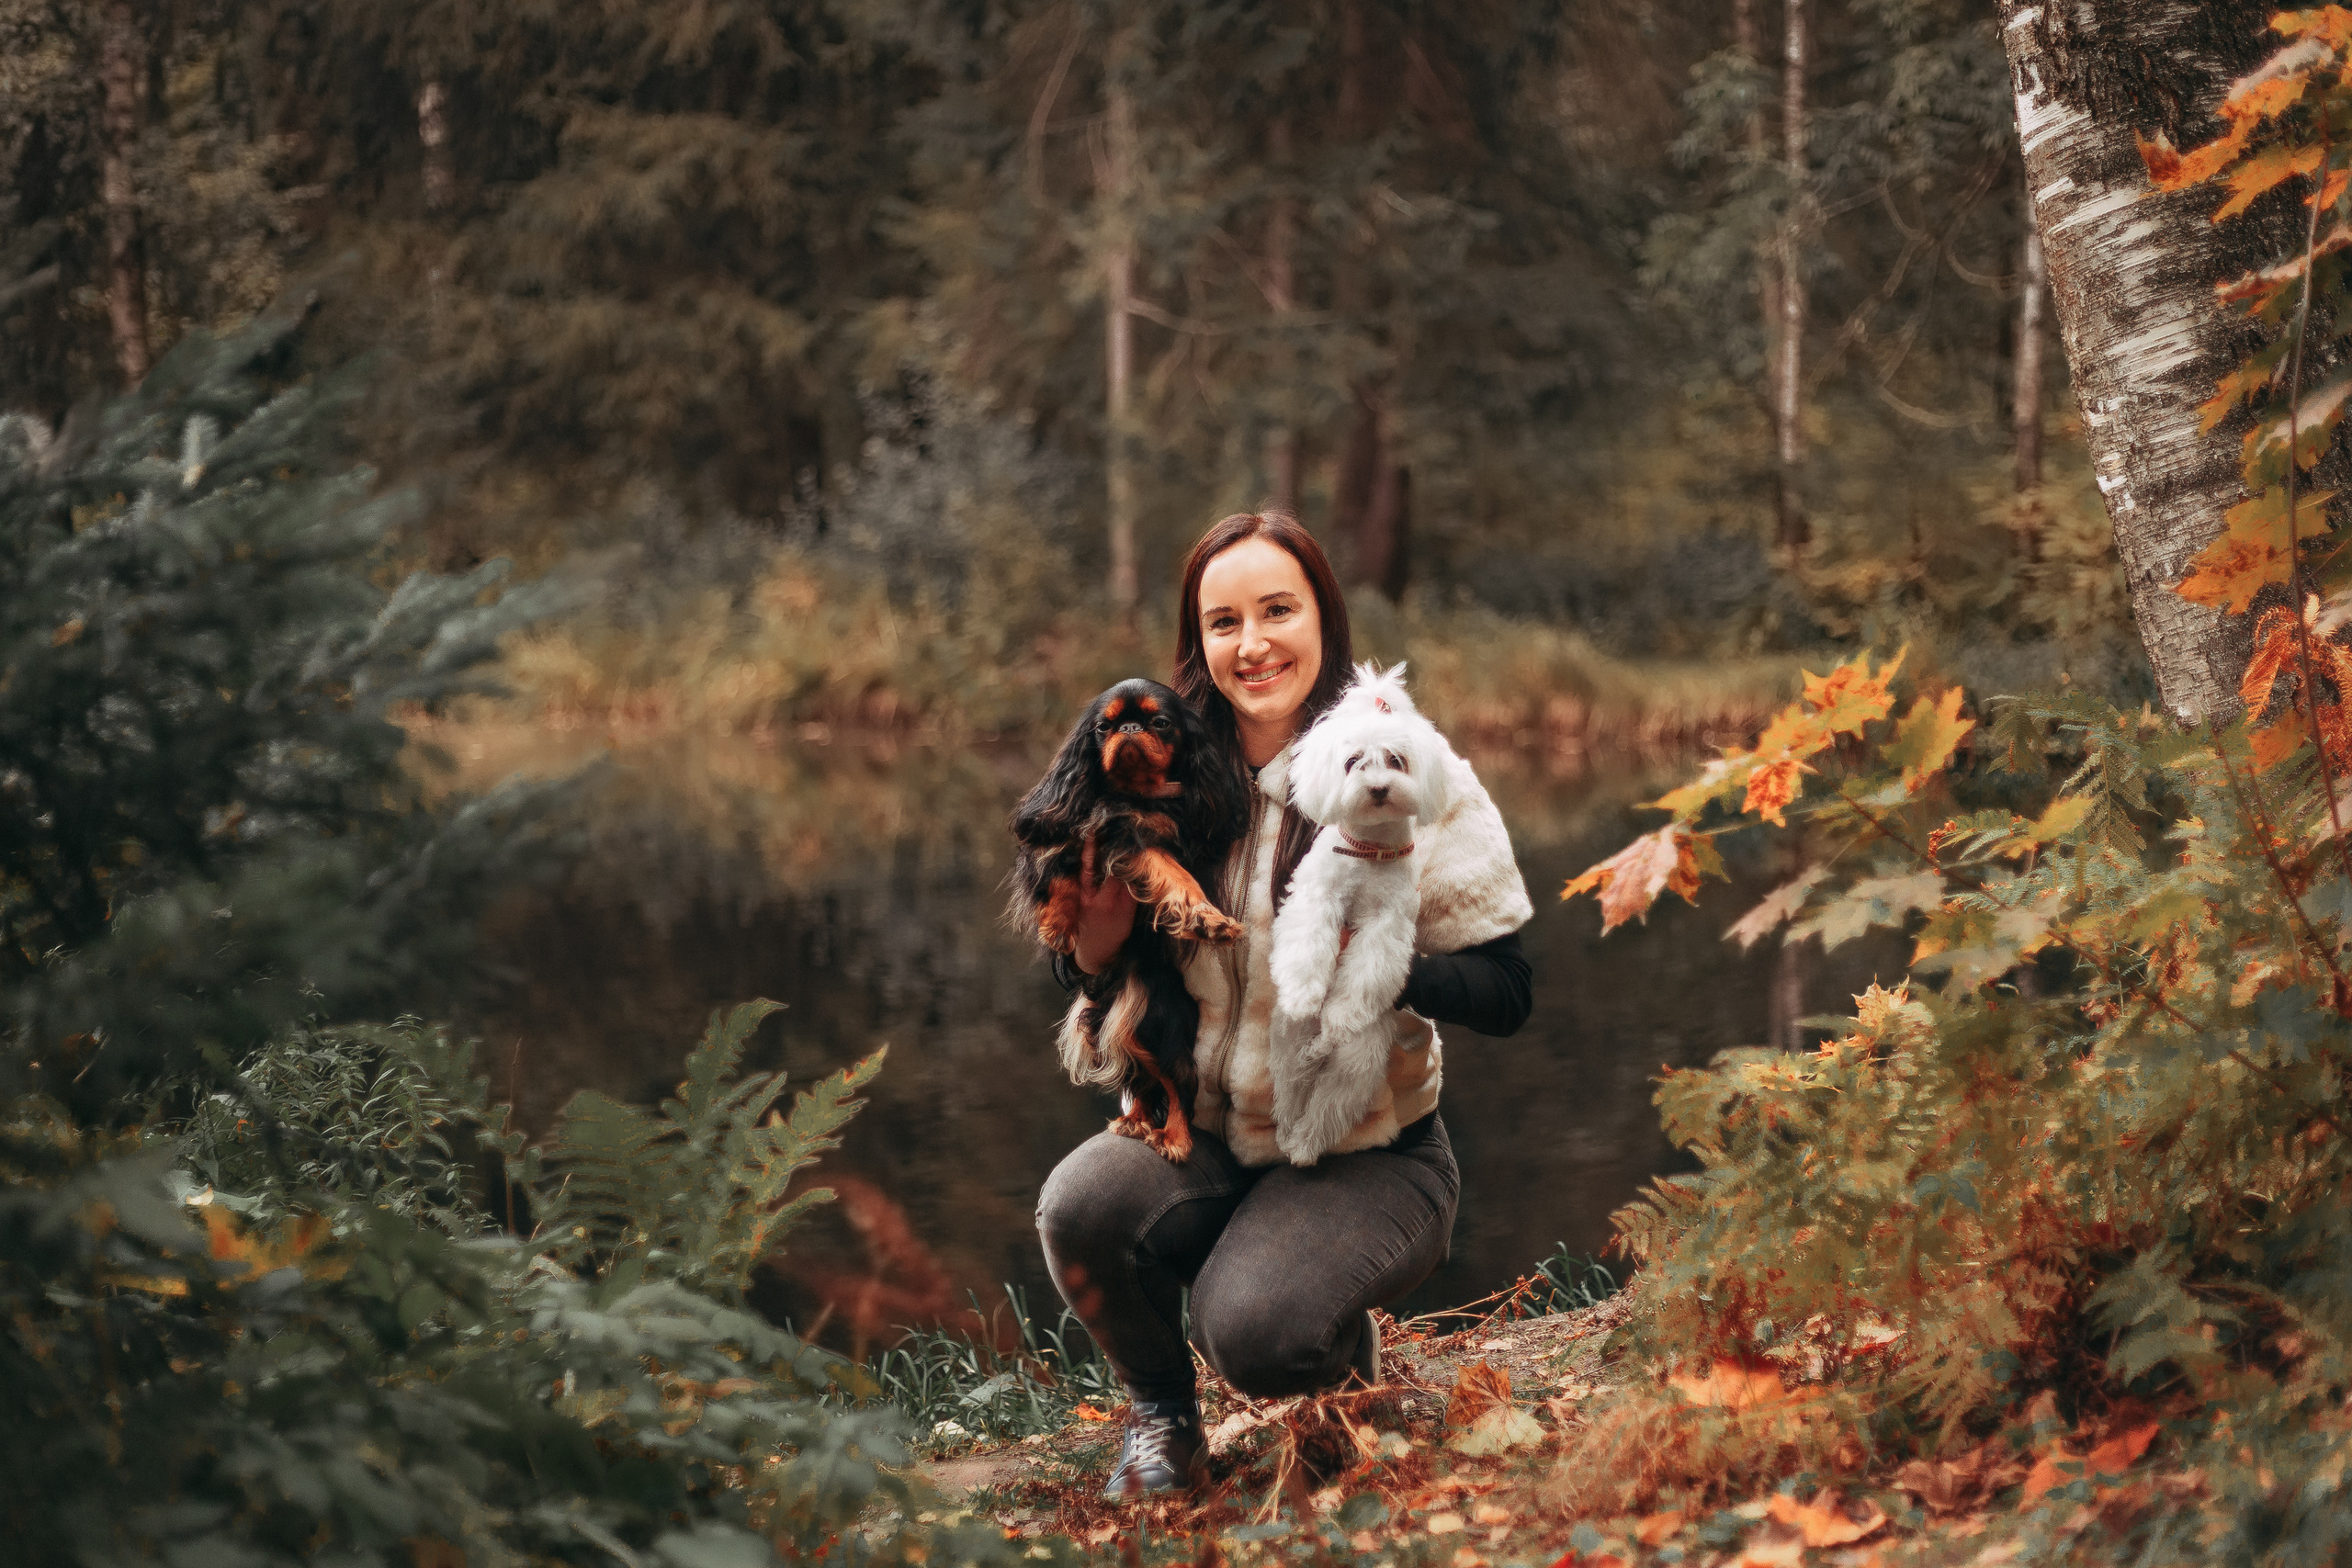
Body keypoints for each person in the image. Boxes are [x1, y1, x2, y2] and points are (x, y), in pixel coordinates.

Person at [1033, 511, 1534, 1497]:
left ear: (1324, 618)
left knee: (1255, 1329)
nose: (1252, 643)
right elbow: (1095, 970)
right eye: (1224, 621)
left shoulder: (1403, 767)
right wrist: (1089, 939)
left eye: (1277, 610)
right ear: (1198, 641)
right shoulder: (1167, 768)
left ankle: (1340, 1373)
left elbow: (1509, 993)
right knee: (1078, 1208)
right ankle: (1162, 1419)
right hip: (1207, 1134)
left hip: (1371, 1151)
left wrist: (1382, 968)